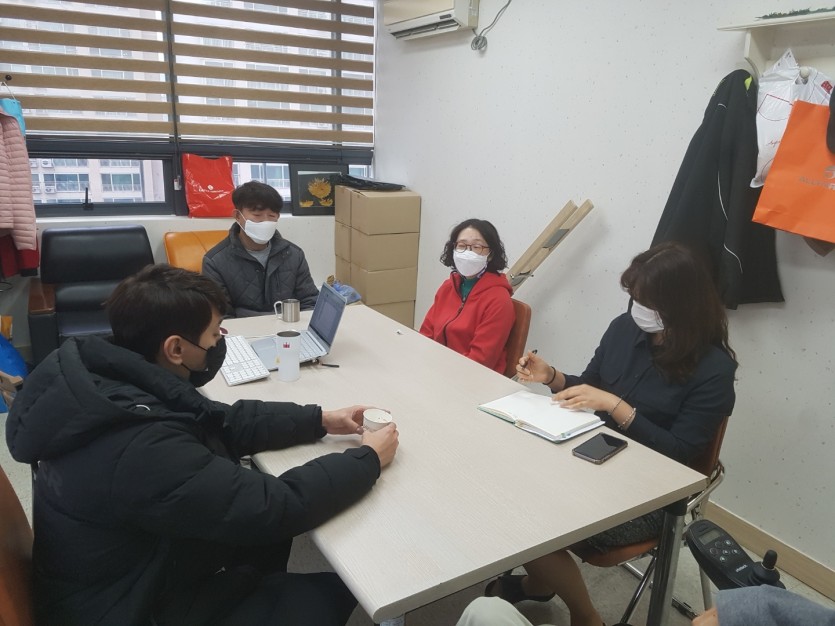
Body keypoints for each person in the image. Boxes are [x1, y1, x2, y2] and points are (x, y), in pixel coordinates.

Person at [4, 264, 399, 626]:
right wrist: (367, 460)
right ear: (175, 349)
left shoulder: (114, 380)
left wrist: (319, 420)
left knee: (270, 542)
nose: (219, 341)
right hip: (130, 608)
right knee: (329, 592)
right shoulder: (141, 444)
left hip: (123, 572)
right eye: (214, 333)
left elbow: (219, 420)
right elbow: (273, 505)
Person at [485, 241, 738, 626]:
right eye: (634, 296)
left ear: (681, 306)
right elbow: (592, 386)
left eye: (647, 302)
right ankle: (541, 582)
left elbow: (680, 455)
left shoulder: (713, 370)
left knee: (528, 516)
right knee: (506, 485)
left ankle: (586, 617)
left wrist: (616, 406)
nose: (637, 308)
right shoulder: (625, 328)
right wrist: (552, 376)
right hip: (593, 453)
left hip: (653, 491)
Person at [203, 180, 319, 317]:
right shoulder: (215, 262)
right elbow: (221, 316)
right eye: (257, 215)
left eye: (272, 216)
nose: (265, 221)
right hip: (245, 329)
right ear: (238, 216)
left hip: (288, 327)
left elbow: (310, 302)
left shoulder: (294, 254)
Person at [419, 218, 515, 374]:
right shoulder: (448, 288)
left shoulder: (499, 300)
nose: (468, 252)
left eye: (477, 247)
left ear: (490, 254)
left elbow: (481, 361)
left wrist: (439, 370)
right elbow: (426, 334)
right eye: (462, 246)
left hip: (472, 377)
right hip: (436, 369)